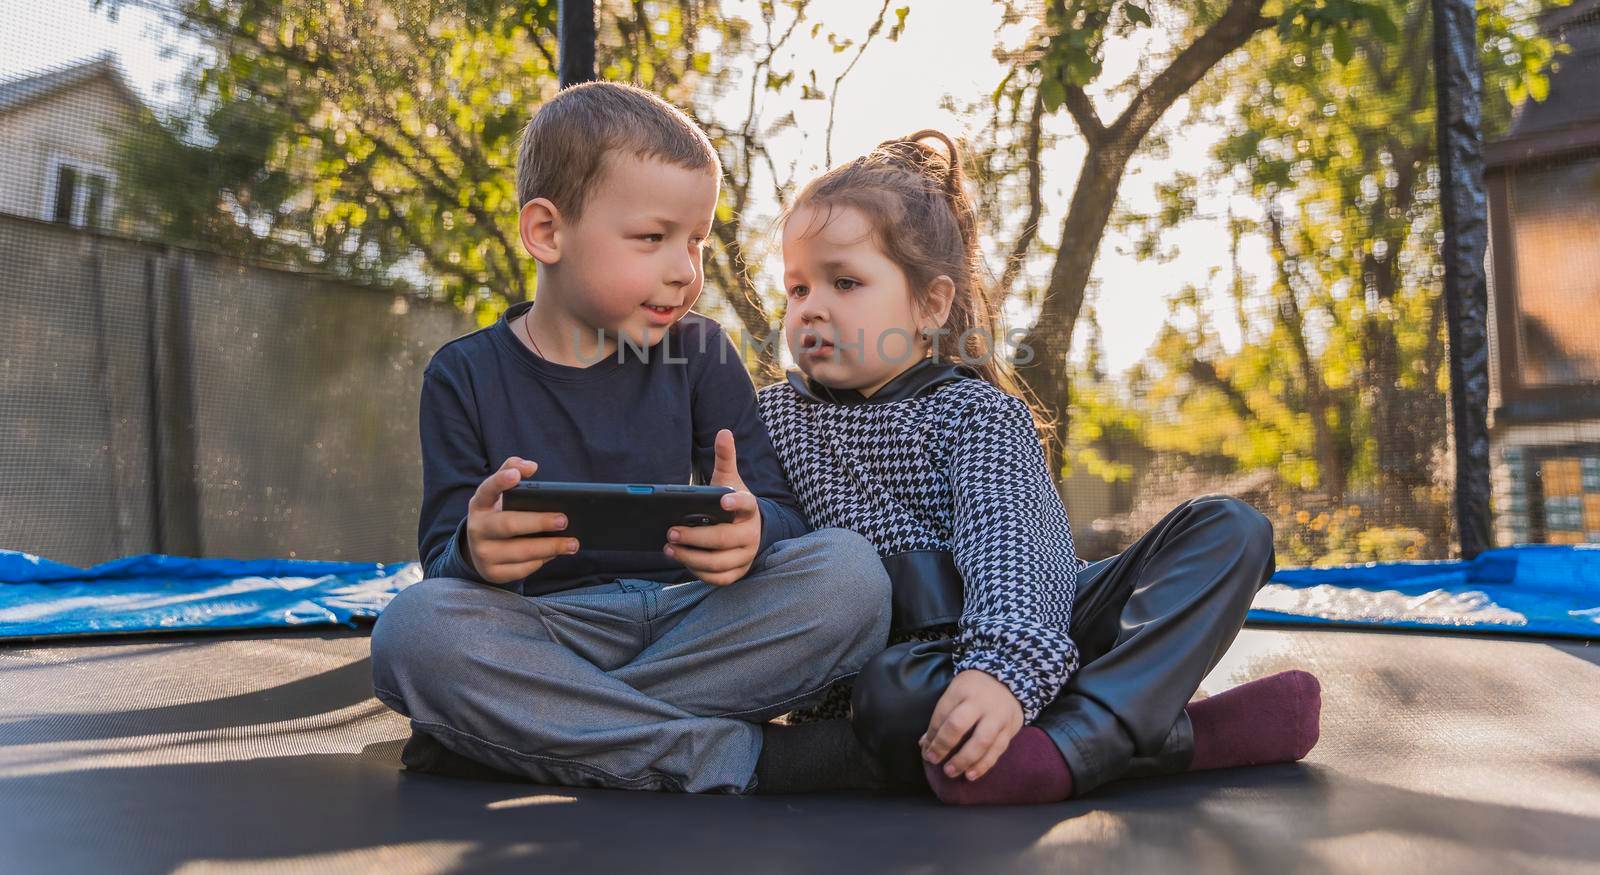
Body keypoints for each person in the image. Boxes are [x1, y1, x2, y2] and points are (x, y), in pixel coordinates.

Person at [755, 129, 1322, 804]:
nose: (810, 306)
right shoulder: (770, 418)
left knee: (1231, 529)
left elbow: (1014, 545)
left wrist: (1001, 670)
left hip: (1033, 627)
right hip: (910, 675)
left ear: (931, 305)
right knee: (894, 695)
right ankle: (1172, 735)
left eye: (844, 282)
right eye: (795, 288)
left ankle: (1069, 741)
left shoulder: (974, 413)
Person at [369, 82, 892, 794]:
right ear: (547, 233)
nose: (686, 270)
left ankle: (520, 732)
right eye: (653, 238)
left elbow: (780, 513)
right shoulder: (462, 374)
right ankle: (735, 756)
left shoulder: (705, 353)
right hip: (548, 627)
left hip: (694, 618)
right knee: (413, 634)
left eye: (697, 241)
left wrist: (754, 528)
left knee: (852, 575)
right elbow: (444, 565)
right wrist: (477, 547)